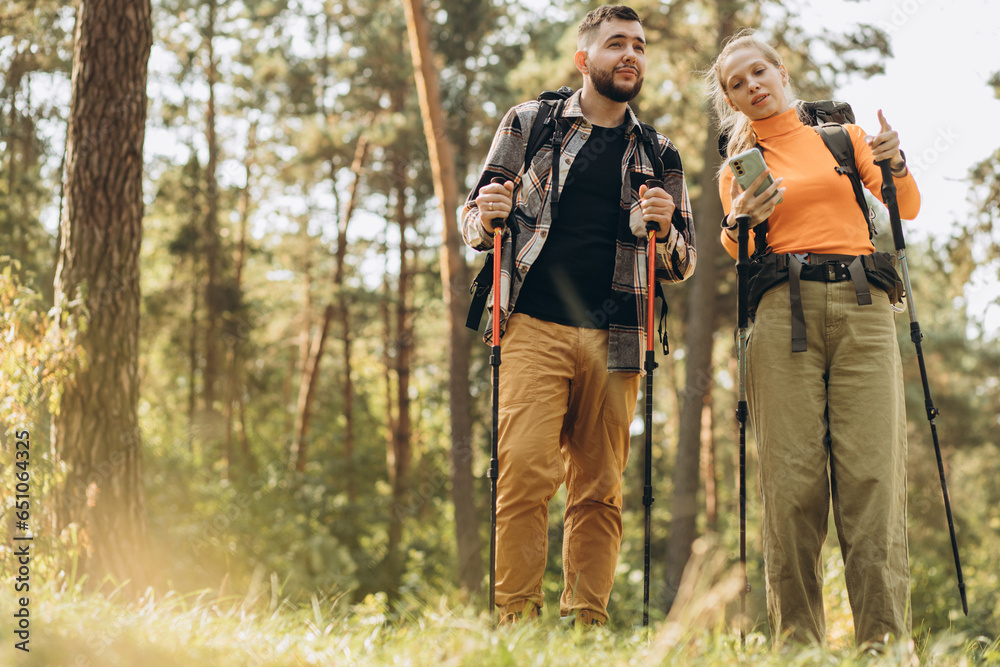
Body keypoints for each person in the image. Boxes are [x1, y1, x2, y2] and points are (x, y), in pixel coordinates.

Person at [460, 4, 696, 627]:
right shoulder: (530, 123)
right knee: (526, 475)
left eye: (640, 46)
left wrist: (665, 231)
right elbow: (474, 224)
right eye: (617, 43)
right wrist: (487, 213)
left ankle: (585, 625)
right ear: (584, 58)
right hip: (531, 326)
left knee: (599, 492)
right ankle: (516, 620)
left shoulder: (659, 152)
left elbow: (683, 262)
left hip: (620, 336)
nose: (631, 55)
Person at [708, 32, 920, 646]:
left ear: (781, 72)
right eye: (737, 83)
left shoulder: (842, 138)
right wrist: (739, 218)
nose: (753, 86)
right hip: (782, 315)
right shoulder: (737, 169)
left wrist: (895, 161)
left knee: (873, 480)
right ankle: (798, 649)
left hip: (864, 308)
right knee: (792, 484)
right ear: (731, 101)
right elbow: (734, 249)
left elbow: (904, 204)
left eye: (759, 72)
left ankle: (883, 646)